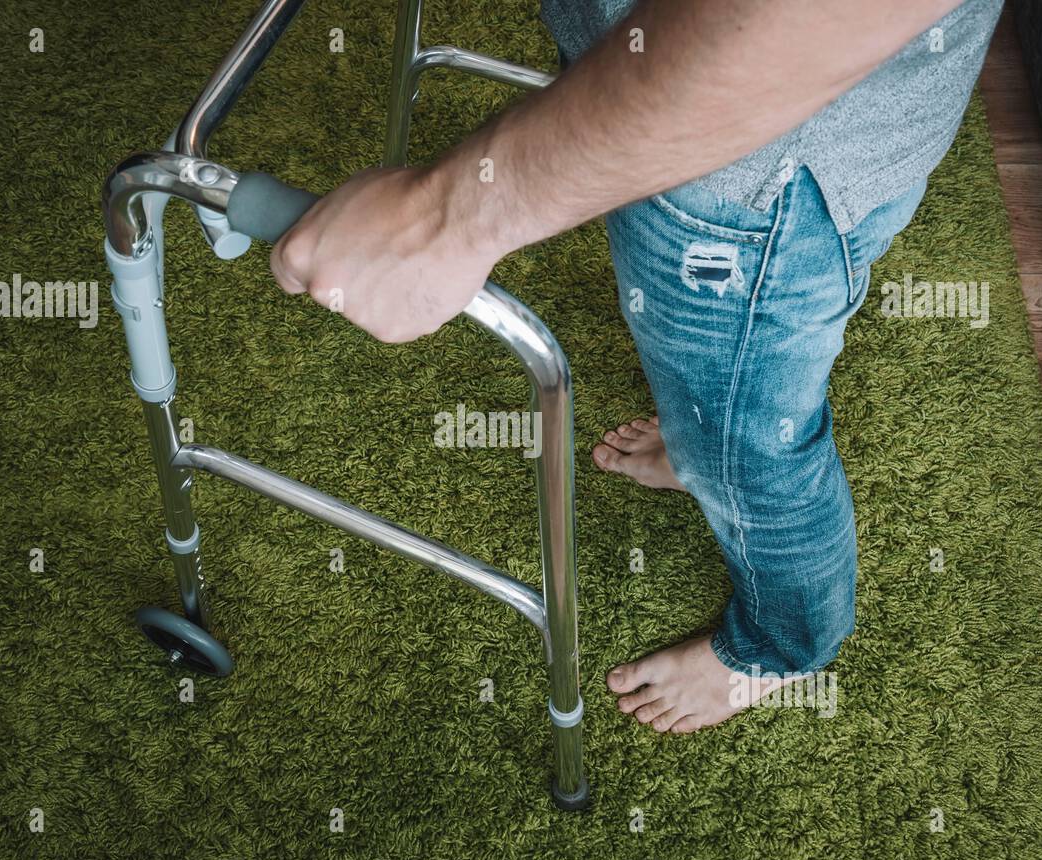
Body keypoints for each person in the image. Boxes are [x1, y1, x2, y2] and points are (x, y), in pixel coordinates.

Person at [268, 0, 1003, 733]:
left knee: (755, 452)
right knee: (713, 395)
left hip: (751, 169)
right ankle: (697, 445)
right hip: (656, 93)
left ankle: (782, 647)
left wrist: (448, 216)